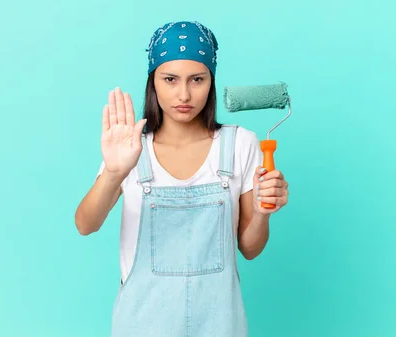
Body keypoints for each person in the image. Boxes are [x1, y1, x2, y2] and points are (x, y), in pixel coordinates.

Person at [74, 20, 289, 337]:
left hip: (220, 325)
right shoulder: (132, 148)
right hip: (141, 324)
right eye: (170, 79)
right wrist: (115, 172)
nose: (184, 94)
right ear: (153, 82)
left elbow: (250, 248)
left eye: (197, 79)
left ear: (211, 81)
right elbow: (85, 224)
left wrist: (261, 211)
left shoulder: (240, 144)